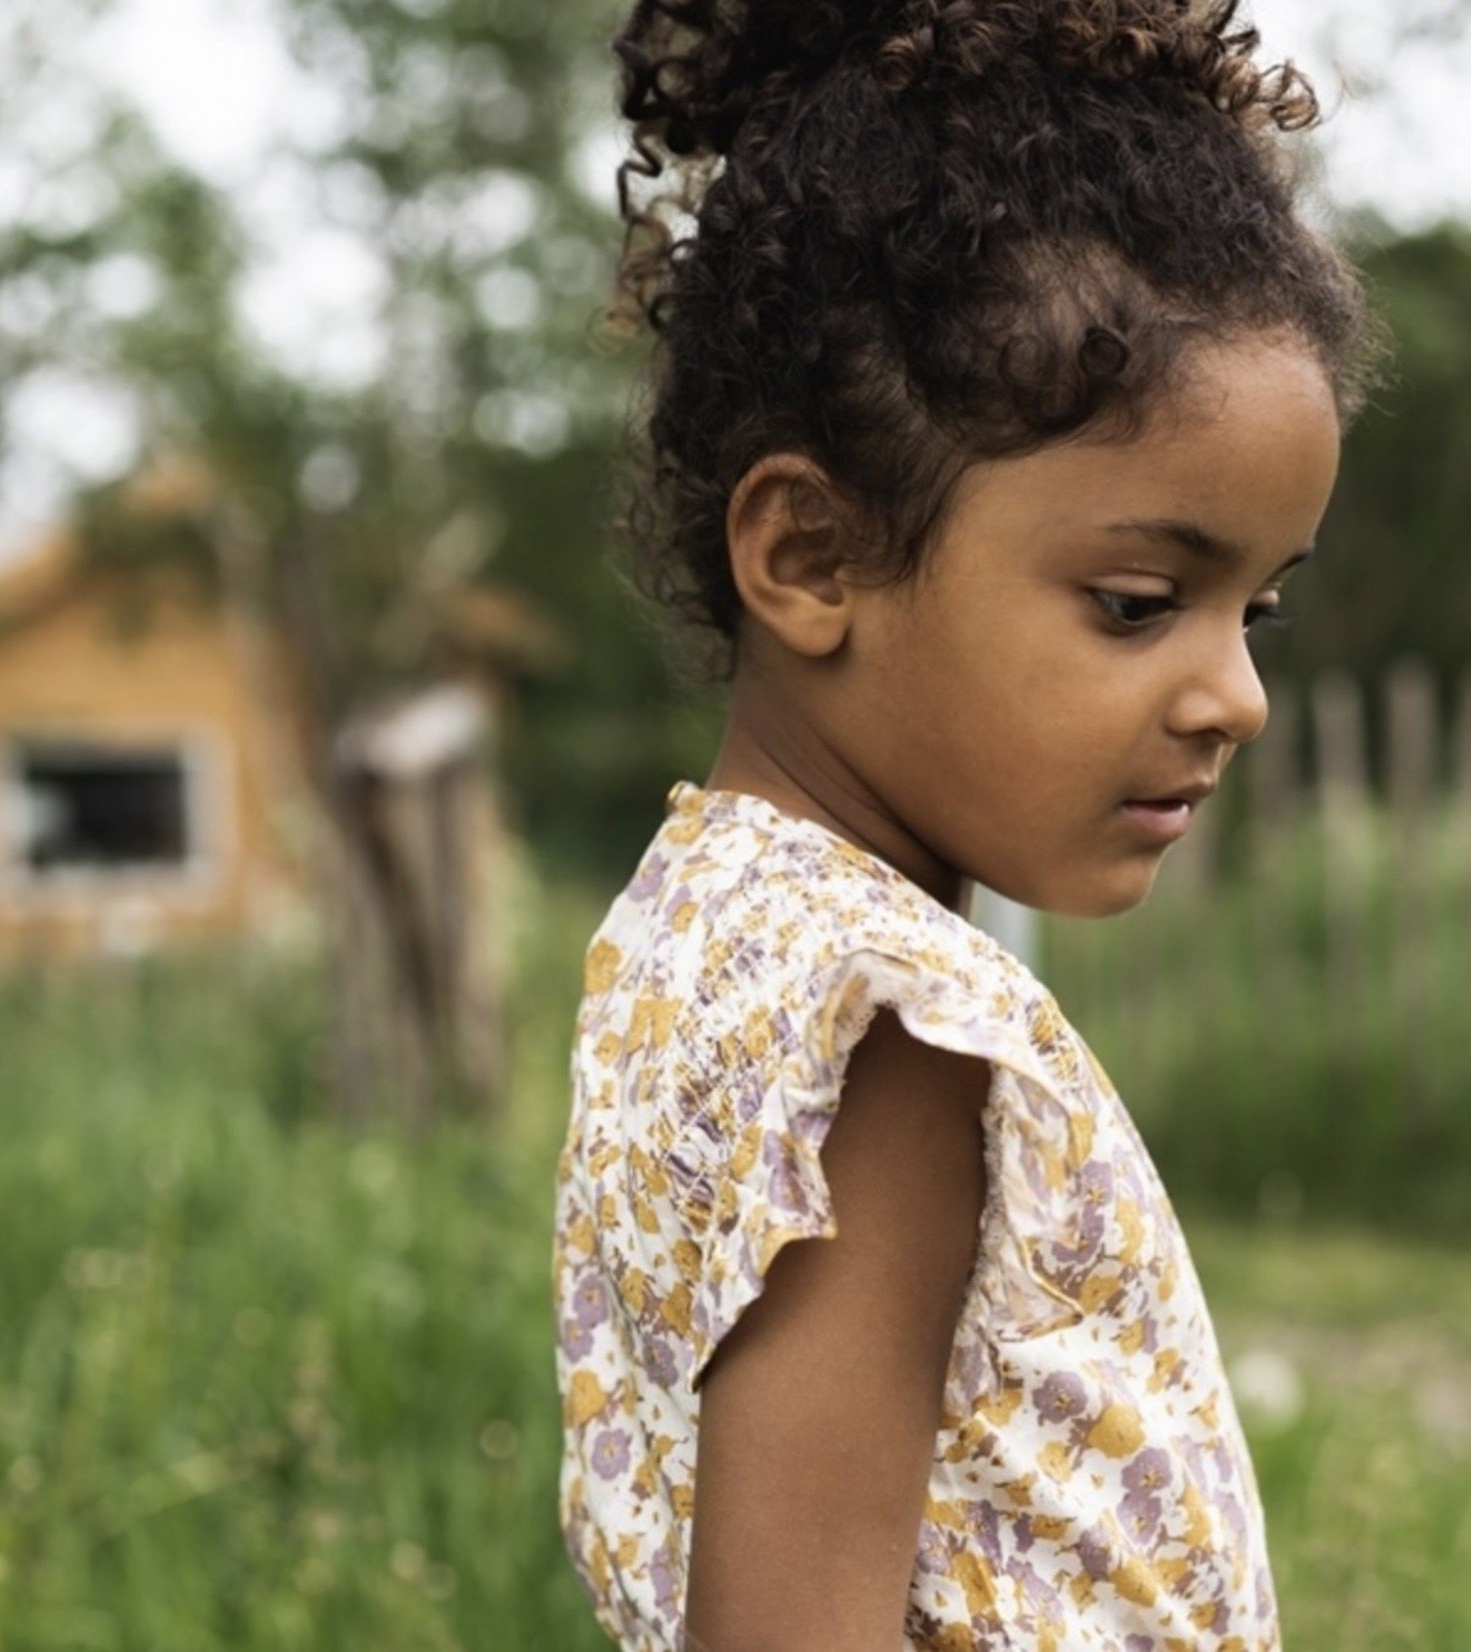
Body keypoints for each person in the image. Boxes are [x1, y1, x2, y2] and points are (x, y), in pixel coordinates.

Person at [550, 2, 1388, 1648]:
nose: (1237, 697)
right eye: (1141, 601)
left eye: (1257, 615)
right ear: (810, 556)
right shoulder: (892, 1037)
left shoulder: (699, 926)